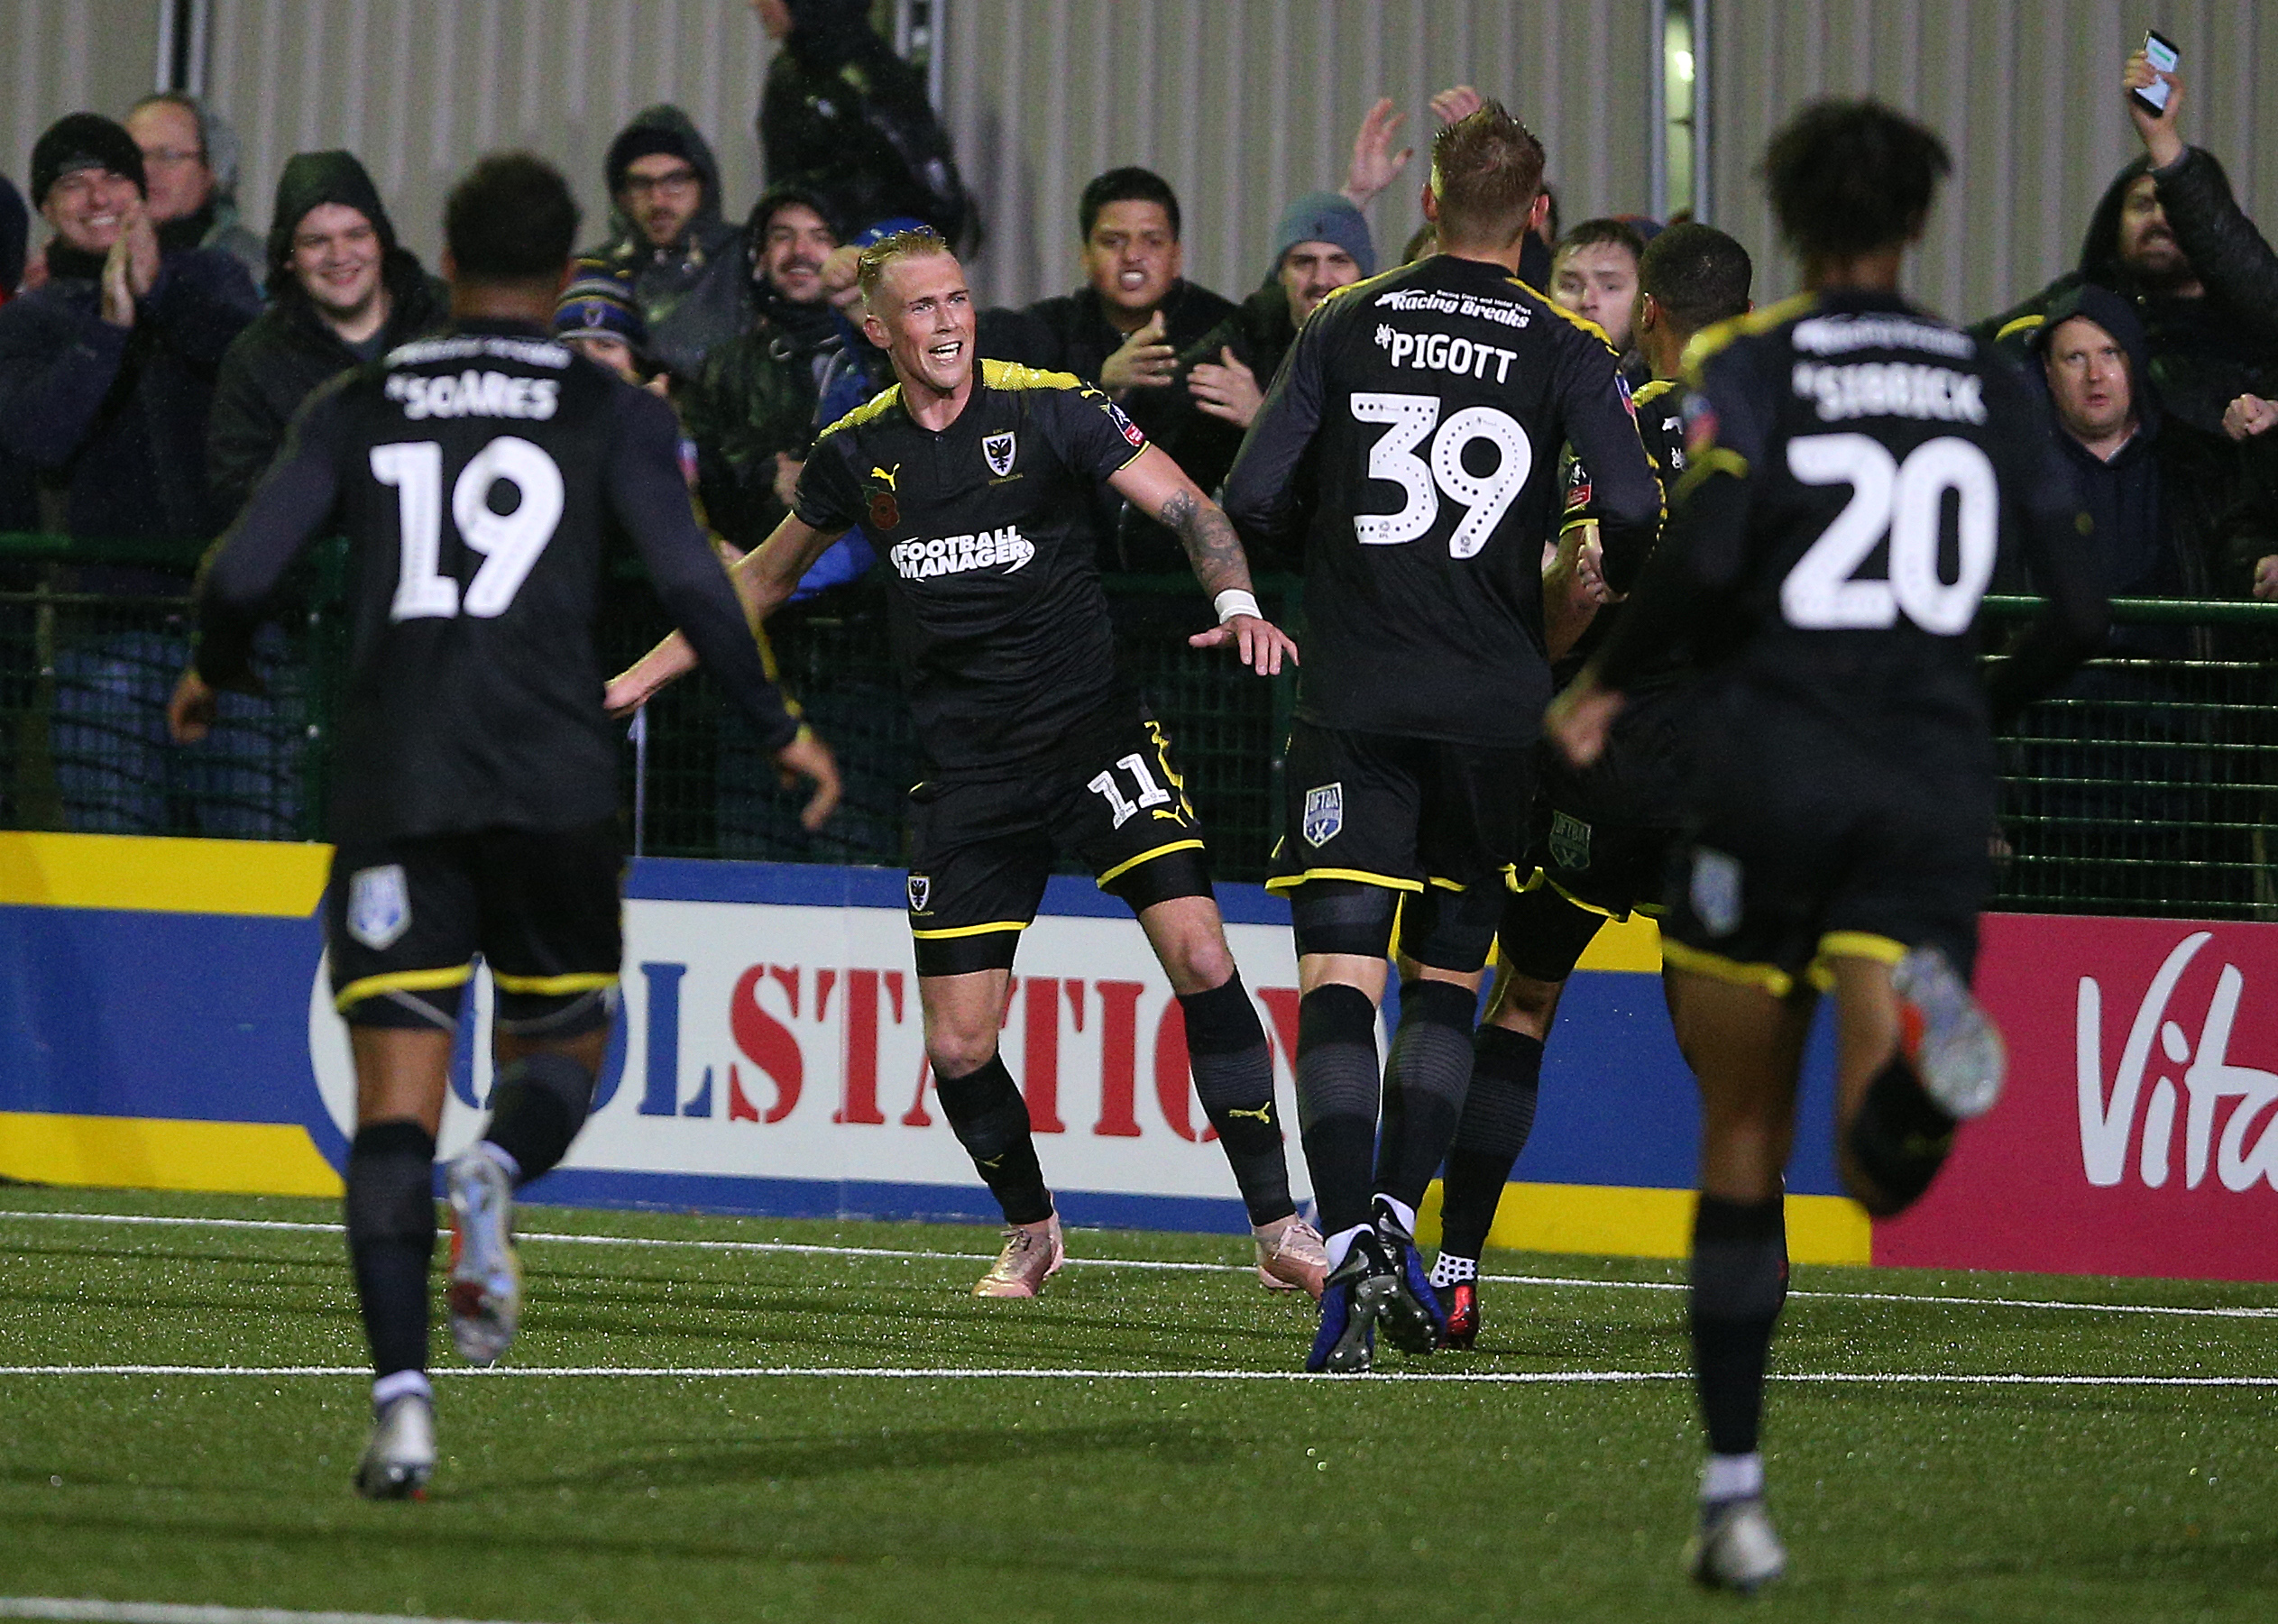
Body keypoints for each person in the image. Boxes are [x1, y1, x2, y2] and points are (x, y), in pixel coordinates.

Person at [167, 152, 836, 1500]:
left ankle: (402, 1411)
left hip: (398, 790)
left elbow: (242, 566)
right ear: (563, 262)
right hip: (552, 788)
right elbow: (701, 589)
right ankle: (498, 1170)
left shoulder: (368, 397)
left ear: (447, 258)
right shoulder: (607, 408)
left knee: (387, 1117)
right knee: (561, 1058)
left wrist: (210, 670)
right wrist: (779, 730)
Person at [1545, 100, 2106, 1590]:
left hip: (1767, 772)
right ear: (1917, 223)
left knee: (1739, 1140)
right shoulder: (1987, 376)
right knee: (1877, 1179)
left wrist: (1600, 689)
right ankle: (1919, 1083)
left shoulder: (1751, 363)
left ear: (1788, 226)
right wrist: (1965, 717)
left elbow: (1705, 557)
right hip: (1919, 784)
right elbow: (2084, 614)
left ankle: (1733, 1501)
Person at [605, 229, 1328, 1301]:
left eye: (958, 301)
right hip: (969, 774)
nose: (948, 324)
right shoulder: (857, 449)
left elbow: (1189, 504)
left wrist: (1236, 601)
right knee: (957, 1046)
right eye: (925, 309)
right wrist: (630, 684)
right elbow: (756, 584)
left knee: (1204, 952)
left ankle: (1279, 1225)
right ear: (878, 331)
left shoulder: (1052, 407)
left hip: (1097, 738)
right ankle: (1033, 1230)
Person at [1220, 103, 1661, 1375]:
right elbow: (1629, 506)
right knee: (1448, 985)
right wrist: (1582, 610)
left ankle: (1348, 1232)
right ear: (1537, 217)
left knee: (1335, 987)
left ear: (1423, 203)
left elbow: (1250, 493)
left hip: (1354, 699)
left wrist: (1342, 550)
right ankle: (1391, 1230)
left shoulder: (1345, 320)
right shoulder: (1569, 341)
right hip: (1489, 712)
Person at [1430, 222, 1754, 1346]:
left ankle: (1459, 1266)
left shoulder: (1630, 422)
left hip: (1609, 770)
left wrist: (1545, 653)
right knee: (1717, 1031)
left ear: (1653, 311)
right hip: (1735, 790)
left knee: (1523, 998)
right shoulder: (1794, 433)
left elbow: (1583, 575)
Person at [0, 113, 260, 835]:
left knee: (256, 867)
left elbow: (255, 372)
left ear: (143, 192)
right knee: (116, 874)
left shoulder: (213, 279)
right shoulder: (30, 323)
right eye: (70, 185)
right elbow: (41, 440)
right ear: (46, 211)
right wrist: (108, 327)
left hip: (236, 641)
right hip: (103, 644)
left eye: (113, 176)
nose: (96, 197)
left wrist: (160, 292)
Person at [1977, 50, 2278, 439]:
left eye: (2173, 207)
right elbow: (1973, 349)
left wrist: (2162, 141)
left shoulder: (2252, 317)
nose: (2157, 219)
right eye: (2141, 205)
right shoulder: (2082, 303)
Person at [208, 151, 448, 520]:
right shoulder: (256, 358)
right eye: (316, 241)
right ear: (287, 257)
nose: (339, 255)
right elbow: (237, 493)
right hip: (326, 573)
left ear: (381, 241)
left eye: (356, 234)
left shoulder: (447, 321)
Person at [1006, 167, 1236, 544]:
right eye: (1113, 241)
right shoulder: (1046, 331)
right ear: (1084, 255)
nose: (1132, 256)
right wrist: (1099, 390)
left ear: (1176, 256)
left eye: (1152, 242)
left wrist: (1257, 412)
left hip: (1189, 573)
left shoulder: (1223, 331)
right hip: (1071, 567)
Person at [751, 0, 978, 252]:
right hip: (808, 270)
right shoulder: (788, 74)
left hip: (863, 272)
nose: (757, 4)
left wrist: (867, 254)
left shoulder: (870, 79)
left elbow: (941, 201)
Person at [581, 106, 750, 385]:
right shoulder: (594, 274)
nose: (658, 201)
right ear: (621, 196)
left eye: (675, 181)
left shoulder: (743, 263)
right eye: (641, 184)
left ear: (702, 187)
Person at [125, 92, 266, 285]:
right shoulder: (98, 252)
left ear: (211, 170)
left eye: (169, 156)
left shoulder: (249, 264)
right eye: (134, 155)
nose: (147, 170)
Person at [1551, 217, 1649, 380]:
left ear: (1644, 301)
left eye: (1610, 286)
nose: (1587, 302)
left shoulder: (1664, 392)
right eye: (1570, 286)